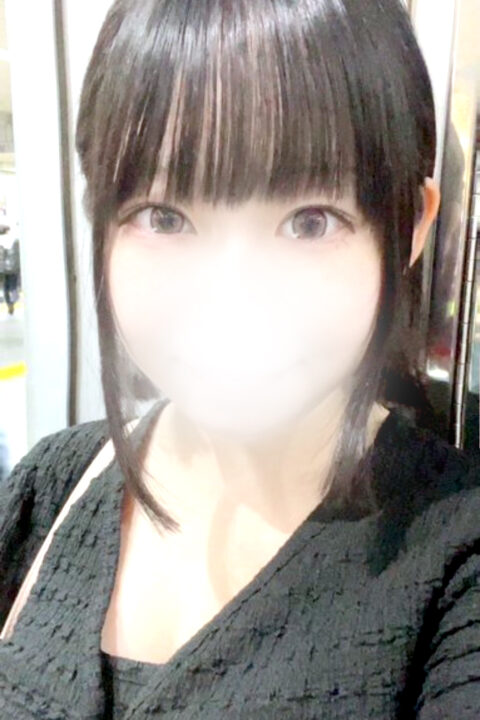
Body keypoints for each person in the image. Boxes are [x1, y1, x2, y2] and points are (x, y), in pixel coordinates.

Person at [0, 0, 478, 717]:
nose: (232, 296)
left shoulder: (457, 560)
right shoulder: (50, 484)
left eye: (309, 221)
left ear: (408, 227)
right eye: (165, 216)